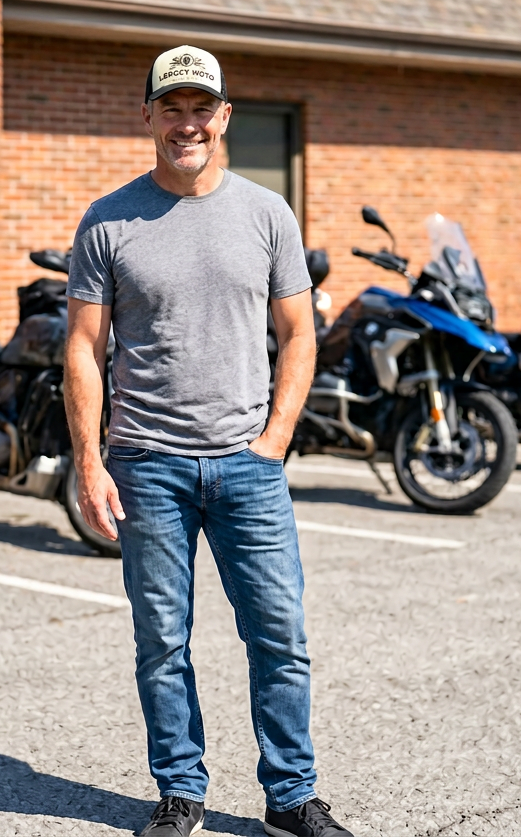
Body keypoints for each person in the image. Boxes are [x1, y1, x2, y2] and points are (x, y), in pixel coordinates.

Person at [63, 45, 354, 837]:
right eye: (172, 108)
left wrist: (276, 438)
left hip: (247, 466)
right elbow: (83, 348)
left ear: (224, 117)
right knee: (162, 642)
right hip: (146, 464)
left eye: (201, 108)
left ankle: (291, 797)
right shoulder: (108, 221)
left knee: (280, 637)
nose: (186, 123)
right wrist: (89, 461)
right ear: (148, 116)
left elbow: (300, 334)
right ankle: (180, 792)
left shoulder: (267, 213)